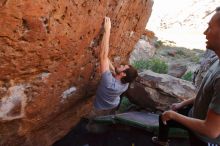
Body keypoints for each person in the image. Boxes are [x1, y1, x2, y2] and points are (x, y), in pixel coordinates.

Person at [152, 7, 220, 146]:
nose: (205, 32)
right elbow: (206, 93)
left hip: (206, 139)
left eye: (210, 27)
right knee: (165, 117)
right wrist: (182, 104)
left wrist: (174, 115)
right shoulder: (217, 61)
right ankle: (162, 141)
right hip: (195, 118)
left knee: (169, 116)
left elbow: (211, 130)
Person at [91, 17, 138, 117]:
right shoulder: (125, 83)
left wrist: (107, 30)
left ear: (123, 74)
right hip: (112, 105)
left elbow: (103, 56)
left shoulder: (109, 82)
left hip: (99, 107)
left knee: (93, 123)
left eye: (123, 66)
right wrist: (106, 59)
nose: (121, 65)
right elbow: (111, 67)